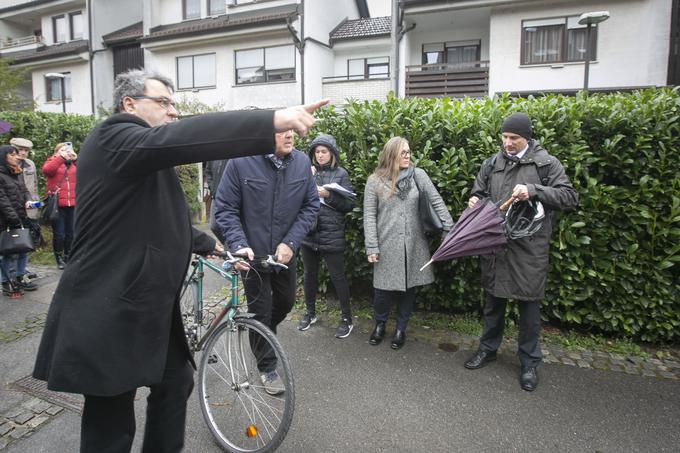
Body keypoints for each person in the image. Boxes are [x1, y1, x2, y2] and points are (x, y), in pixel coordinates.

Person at [32, 68, 327, 453]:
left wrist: (212, 245)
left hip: (149, 302)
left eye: (175, 104)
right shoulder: (113, 137)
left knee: (176, 382)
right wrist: (273, 119)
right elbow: (186, 138)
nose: (173, 112)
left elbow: (157, 220)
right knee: (112, 418)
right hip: (109, 303)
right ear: (129, 104)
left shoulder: (143, 158)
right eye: (164, 102)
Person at [463, 112, 578, 392]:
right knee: (493, 304)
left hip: (529, 249)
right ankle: (488, 349)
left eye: (513, 138)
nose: (507, 143)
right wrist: (475, 199)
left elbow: (569, 197)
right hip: (496, 246)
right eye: (504, 137)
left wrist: (534, 190)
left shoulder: (546, 164)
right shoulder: (492, 163)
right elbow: (480, 192)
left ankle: (529, 363)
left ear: (526, 137)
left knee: (528, 309)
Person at [214, 129, 319, 393]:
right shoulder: (240, 162)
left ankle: (262, 334)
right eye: (281, 130)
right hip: (252, 256)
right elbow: (225, 208)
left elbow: (310, 206)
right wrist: (239, 245)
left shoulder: (302, 163)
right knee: (260, 312)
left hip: (284, 254)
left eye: (291, 130)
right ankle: (267, 367)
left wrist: (291, 242)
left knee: (285, 303)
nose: (290, 135)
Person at [363, 137, 453, 349]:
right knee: (382, 291)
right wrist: (372, 246)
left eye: (409, 152)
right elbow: (368, 215)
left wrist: (450, 229)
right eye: (403, 152)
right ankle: (380, 324)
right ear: (391, 154)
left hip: (414, 243)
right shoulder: (374, 180)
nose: (407, 156)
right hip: (386, 244)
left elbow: (436, 200)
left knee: (408, 289)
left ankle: (401, 328)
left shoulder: (418, 175)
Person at [298, 134, 355, 338]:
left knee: (338, 277)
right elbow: (294, 199)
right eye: (317, 152)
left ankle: (347, 319)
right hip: (309, 233)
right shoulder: (306, 172)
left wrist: (329, 195)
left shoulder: (341, 174)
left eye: (324, 152)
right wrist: (306, 178)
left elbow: (349, 205)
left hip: (331, 233)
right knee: (309, 276)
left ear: (331, 153)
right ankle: (310, 313)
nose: (320, 155)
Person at [0, 144, 38, 294]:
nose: (17, 157)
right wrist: (15, 219)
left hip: (22, 216)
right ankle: (6, 282)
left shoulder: (16, 172)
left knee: (24, 249)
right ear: (4, 157)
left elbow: (24, 191)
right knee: (8, 251)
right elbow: (2, 201)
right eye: (13, 154)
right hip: (6, 220)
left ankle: (20, 277)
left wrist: (28, 200)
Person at [41, 142, 77, 269]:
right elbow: (47, 171)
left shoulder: (73, 164)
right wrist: (61, 158)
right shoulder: (52, 161)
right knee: (59, 233)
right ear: (56, 152)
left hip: (72, 203)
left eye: (67, 150)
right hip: (57, 204)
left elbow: (84, 172)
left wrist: (76, 159)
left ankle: (68, 255)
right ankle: (59, 258)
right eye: (62, 150)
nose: (66, 152)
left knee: (71, 232)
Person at [10, 137, 40, 277]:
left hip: (28, 208)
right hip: (12, 208)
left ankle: (21, 270)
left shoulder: (30, 164)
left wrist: (35, 202)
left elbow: (33, 185)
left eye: (26, 150)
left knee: (25, 241)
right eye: (20, 149)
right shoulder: (6, 164)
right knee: (12, 240)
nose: (23, 153)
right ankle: (12, 271)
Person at [203, 158, 229, 243]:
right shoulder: (213, 157)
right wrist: (212, 188)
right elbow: (207, 171)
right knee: (214, 226)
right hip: (216, 195)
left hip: (229, 196)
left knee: (228, 224)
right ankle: (228, 244)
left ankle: (230, 246)